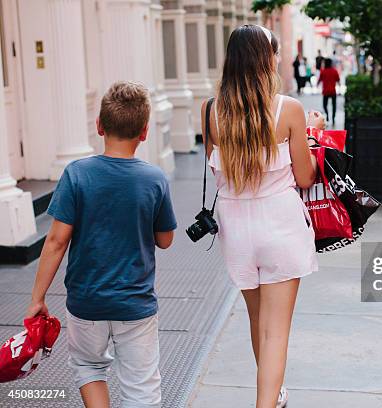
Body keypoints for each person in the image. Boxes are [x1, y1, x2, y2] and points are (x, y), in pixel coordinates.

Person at [25, 81, 177, 408]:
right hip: (135, 305)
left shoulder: (77, 174)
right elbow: (165, 239)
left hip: (86, 303)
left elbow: (55, 241)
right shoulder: (153, 179)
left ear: (99, 126)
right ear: (145, 132)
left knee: (89, 367)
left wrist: (38, 297)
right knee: (142, 386)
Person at [202, 25, 319, 408]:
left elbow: (218, 170)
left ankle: (274, 393)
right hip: (280, 226)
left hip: (237, 230)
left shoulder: (210, 112)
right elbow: (305, 176)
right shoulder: (289, 109)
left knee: (258, 321)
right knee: (277, 330)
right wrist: (312, 136)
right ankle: (266, 401)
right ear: (265, 59)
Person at [318, 58, 340, 126]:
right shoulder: (334, 71)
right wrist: (340, 86)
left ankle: (327, 115)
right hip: (333, 91)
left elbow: (319, 79)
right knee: (334, 106)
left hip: (326, 92)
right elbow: (338, 80)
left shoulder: (323, 71)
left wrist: (317, 84)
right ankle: (333, 118)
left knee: (325, 105)